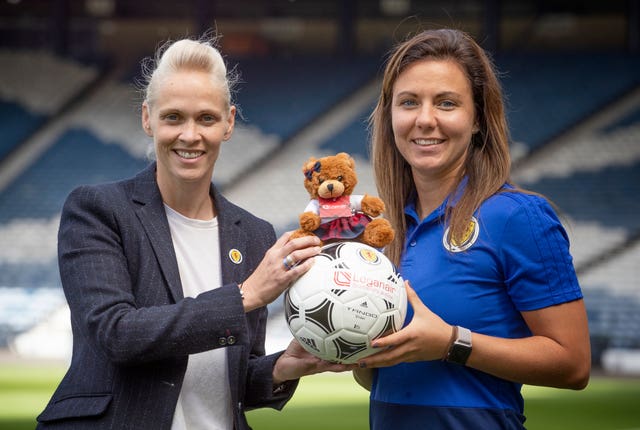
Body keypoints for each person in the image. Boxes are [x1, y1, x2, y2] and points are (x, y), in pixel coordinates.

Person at [36, 35, 351, 430]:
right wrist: (246, 296)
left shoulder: (253, 233)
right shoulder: (98, 210)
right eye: (173, 117)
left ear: (229, 123)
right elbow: (115, 334)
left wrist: (281, 369)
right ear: (147, 118)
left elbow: (229, 380)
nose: (190, 135)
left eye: (206, 118)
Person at [353, 28, 591, 429]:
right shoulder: (385, 233)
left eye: (446, 103)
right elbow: (381, 377)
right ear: (391, 115)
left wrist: (451, 343)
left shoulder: (518, 217)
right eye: (409, 102)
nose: (425, 120)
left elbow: (573, 364)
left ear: (478, 118)